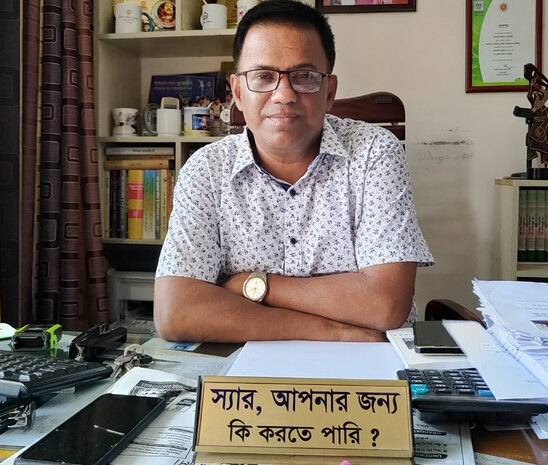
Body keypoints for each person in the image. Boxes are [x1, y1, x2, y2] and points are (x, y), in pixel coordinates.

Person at [153, 0, 433, 343]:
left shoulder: (374, 152)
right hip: (260, 364)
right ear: (238, 92)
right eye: (263, 77)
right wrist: (328, 331)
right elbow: (175, 312)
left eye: (304, 76)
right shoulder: (206, 171)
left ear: (329, 92)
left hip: (369, 363)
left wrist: (255, 286)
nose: (284, 95)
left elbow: (385, 306)